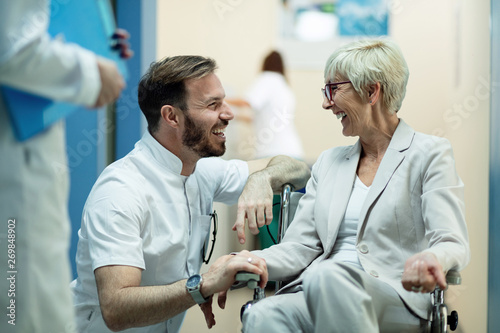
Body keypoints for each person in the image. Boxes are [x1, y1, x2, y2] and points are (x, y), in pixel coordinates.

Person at [216, 38, 470, 332]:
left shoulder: (429, 154)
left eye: (333, 89)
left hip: (395, 295)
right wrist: (244, 259)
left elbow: (452, 241)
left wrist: (433, 258)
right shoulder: (328, 162)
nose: (326, 103)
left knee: (325, 276)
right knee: (263, 314)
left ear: (372, 91)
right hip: (316, 288)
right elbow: (300, 246)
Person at [70, 55, 310, 333]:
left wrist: (263, 177)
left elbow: (297, 169)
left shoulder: (202, 172)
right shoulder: (121, 190)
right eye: (213, 104)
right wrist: (204, 284)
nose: (229, 114)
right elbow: (116, 309)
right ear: (172, 116)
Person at [0, 1, 130, 332]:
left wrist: (95, 46)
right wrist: (92, 70)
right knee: (24, 309)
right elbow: (11, 47)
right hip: (16, 161)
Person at [226, 50, 304, 160]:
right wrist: (232, 115)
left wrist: (219, 100)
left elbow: (247, 102)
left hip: (275, 155)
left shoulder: (268, 78)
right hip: (294, 154)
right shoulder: (285, 87)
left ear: (264, 64)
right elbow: (259, 119)